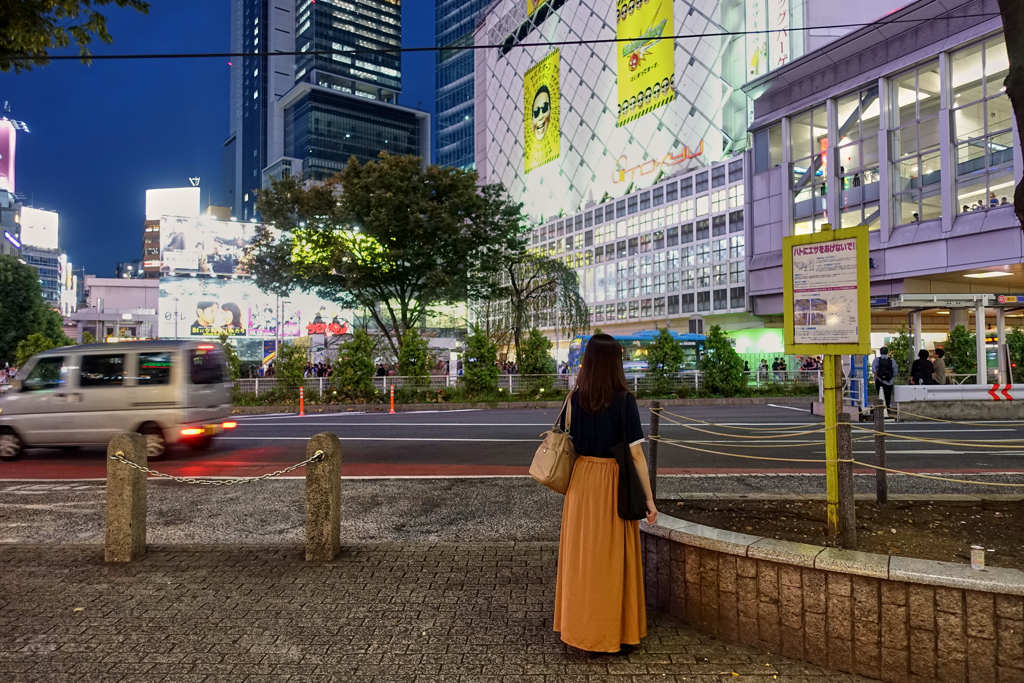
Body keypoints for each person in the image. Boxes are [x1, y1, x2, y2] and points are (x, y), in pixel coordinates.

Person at [554, 333, 656, 654]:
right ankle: (615, 631)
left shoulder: (574, 398)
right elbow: (636, 455)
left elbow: (564, 438)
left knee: (583, 558)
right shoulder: (624, 400)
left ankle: (580, 629)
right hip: (613, 481)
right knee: (613, 557)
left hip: (582, 482)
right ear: (616, 364)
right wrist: (649, 500)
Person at [872, 347, 897, 413]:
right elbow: (895, 371)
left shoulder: (877, 360)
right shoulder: (892, 360)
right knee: (888, 396)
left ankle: (881, 410)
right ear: (887, 352)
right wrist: (890, 377)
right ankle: (888, 408)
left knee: (880, 395)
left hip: (879, 381)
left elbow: (874, 370)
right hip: (889, 382)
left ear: (880, 352)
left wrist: (878, 377)